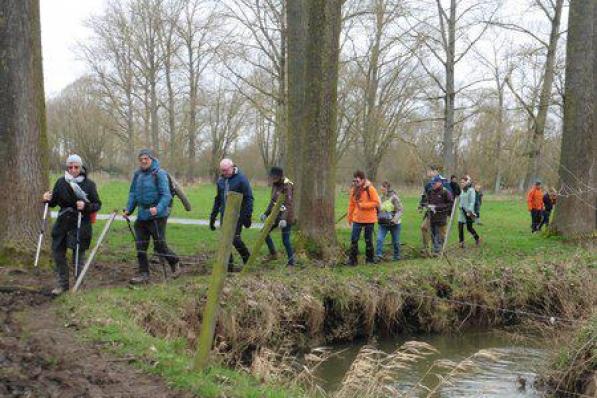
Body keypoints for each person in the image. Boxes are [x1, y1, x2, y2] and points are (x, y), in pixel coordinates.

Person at [43, 154, 101, 295]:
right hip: (63, 223)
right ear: (67, 167)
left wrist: (85, 206)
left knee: (78, 257)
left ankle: (79, 286)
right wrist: (47, 199)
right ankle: (62, 285)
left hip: (81, 222)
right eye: (70, 167)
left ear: (81, 167)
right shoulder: (61, 182)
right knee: (58, 253)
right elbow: (54, 202)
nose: (73, 169)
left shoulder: (89, 184)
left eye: (76, 167)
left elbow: (97, 204)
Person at [124, 149, 180, 284]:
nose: (143, 161)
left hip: (157, 216)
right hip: (142, 215)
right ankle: (144, 274)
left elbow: (166, 195)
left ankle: (174, 261)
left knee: (160, 245)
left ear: (152, 159)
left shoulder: (159, 174)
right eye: (141, 159)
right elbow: (133, 194)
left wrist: (158, 208)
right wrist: (128, 210)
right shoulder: (137, 175)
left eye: (146, 159)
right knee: (140, 246)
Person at [210, 158, 254, 272]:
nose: (223, 173)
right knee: (225, 241)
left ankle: (248, 261)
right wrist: (213, 216)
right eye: (221, 171)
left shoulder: (242, 179)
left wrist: (247, 216)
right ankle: (228, 267)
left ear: (232, 167)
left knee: (234, 239)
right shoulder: (221, 180)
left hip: (238, 215)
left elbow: (249, 198)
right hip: (224, 215)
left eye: (225, 170)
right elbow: (218, 199)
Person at [262, 166, 295, 266]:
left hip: (286, 216)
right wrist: (266, 213)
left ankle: (291, 263)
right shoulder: (275, 185)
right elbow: (273, 201)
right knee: (264, 232)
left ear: (280, 176)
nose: (272, 179)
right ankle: (273, 254)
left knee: (285, 240)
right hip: (276, 215)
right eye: (272, 177)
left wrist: (283, 219)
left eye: (274, 177)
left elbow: (288, 204)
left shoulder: (287, 185)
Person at [347, 171, 380, 265]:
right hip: (357, 219)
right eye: (354, 180)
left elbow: (376, 203)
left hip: (369, 219)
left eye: (357, 180)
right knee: (354, 239)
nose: (355, 182)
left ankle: (370, 259)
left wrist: (363, 205)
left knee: (368, 239)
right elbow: (351, 204)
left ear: (362, 179)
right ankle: (352, 260)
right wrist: (349, 217)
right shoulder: (354, 190)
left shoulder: (371, 189)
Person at [419, 166, 450, 256]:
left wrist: (439, 207)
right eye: (427, 171)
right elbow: (424, 197)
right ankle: (426, 248)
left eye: (430, 171)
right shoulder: (429, 187)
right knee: (425, 227)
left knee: (439, 233)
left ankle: (438, 250)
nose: (433, 185)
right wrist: (422, 205)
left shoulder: (445, 187)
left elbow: (449, 202)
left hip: (441, 214)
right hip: (430, 213)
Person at [375, 181, 403, 262]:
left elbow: (400, 210)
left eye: (383, 189)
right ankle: (378, 255)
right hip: (383, 223)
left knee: (396, 241)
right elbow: (377, 210)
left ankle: (397, 256)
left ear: (387, 189)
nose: (382, 191)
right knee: (379, 239)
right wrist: (377, 217)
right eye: (381, 189)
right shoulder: (379, 198)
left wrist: (395, 219)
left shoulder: (394, 197)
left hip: (395, 224)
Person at [426, 176, 453, 255]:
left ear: (439, 183)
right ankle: (435, 250)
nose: (433, 185)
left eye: (434, 183)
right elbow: (428, 201)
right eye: (432, 184)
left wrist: (437, 207)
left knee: (440, 235)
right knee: (433, 233)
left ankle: (441, 250)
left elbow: (450, 204)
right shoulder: (430, 191)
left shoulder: (445, 192)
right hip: (432, 217)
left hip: (441, 217)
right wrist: (427, 206)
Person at [458, 176, 480, 248]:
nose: (462, 183)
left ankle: (477, 238)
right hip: (462, 211)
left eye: (463, 182)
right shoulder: (462, 190)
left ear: (467, 182)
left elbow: (472, 202)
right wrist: (460, 206)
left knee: (469, 228)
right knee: (460, 226)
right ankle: (461, 243)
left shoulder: (471, 190)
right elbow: (461, 199)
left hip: (468, 212)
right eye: (461, 182)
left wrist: (469, 211)